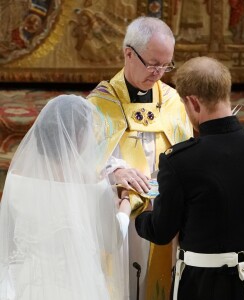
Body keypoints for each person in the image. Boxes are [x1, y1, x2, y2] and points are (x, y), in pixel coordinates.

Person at [135, 56, 244, 300]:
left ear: (193, 103)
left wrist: (139, 215)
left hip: (203, 285)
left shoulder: (181, 161)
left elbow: (161, 231)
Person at [87, 16, 192, 299]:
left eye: (166, 65)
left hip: (164, 207)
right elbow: (83, 159)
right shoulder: (100, 103)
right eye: (153, 63)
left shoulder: (172, 101)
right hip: (117, 206)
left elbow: (187, 151)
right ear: (128, 54)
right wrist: (114, 171)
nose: (159, 72)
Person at [0, 95, 131, 300]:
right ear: (79, 135)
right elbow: (112, 241)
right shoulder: (93, 185)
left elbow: (7, 239)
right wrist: (125, 205)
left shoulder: (15, 180)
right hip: (78, 288)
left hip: (28, 286)